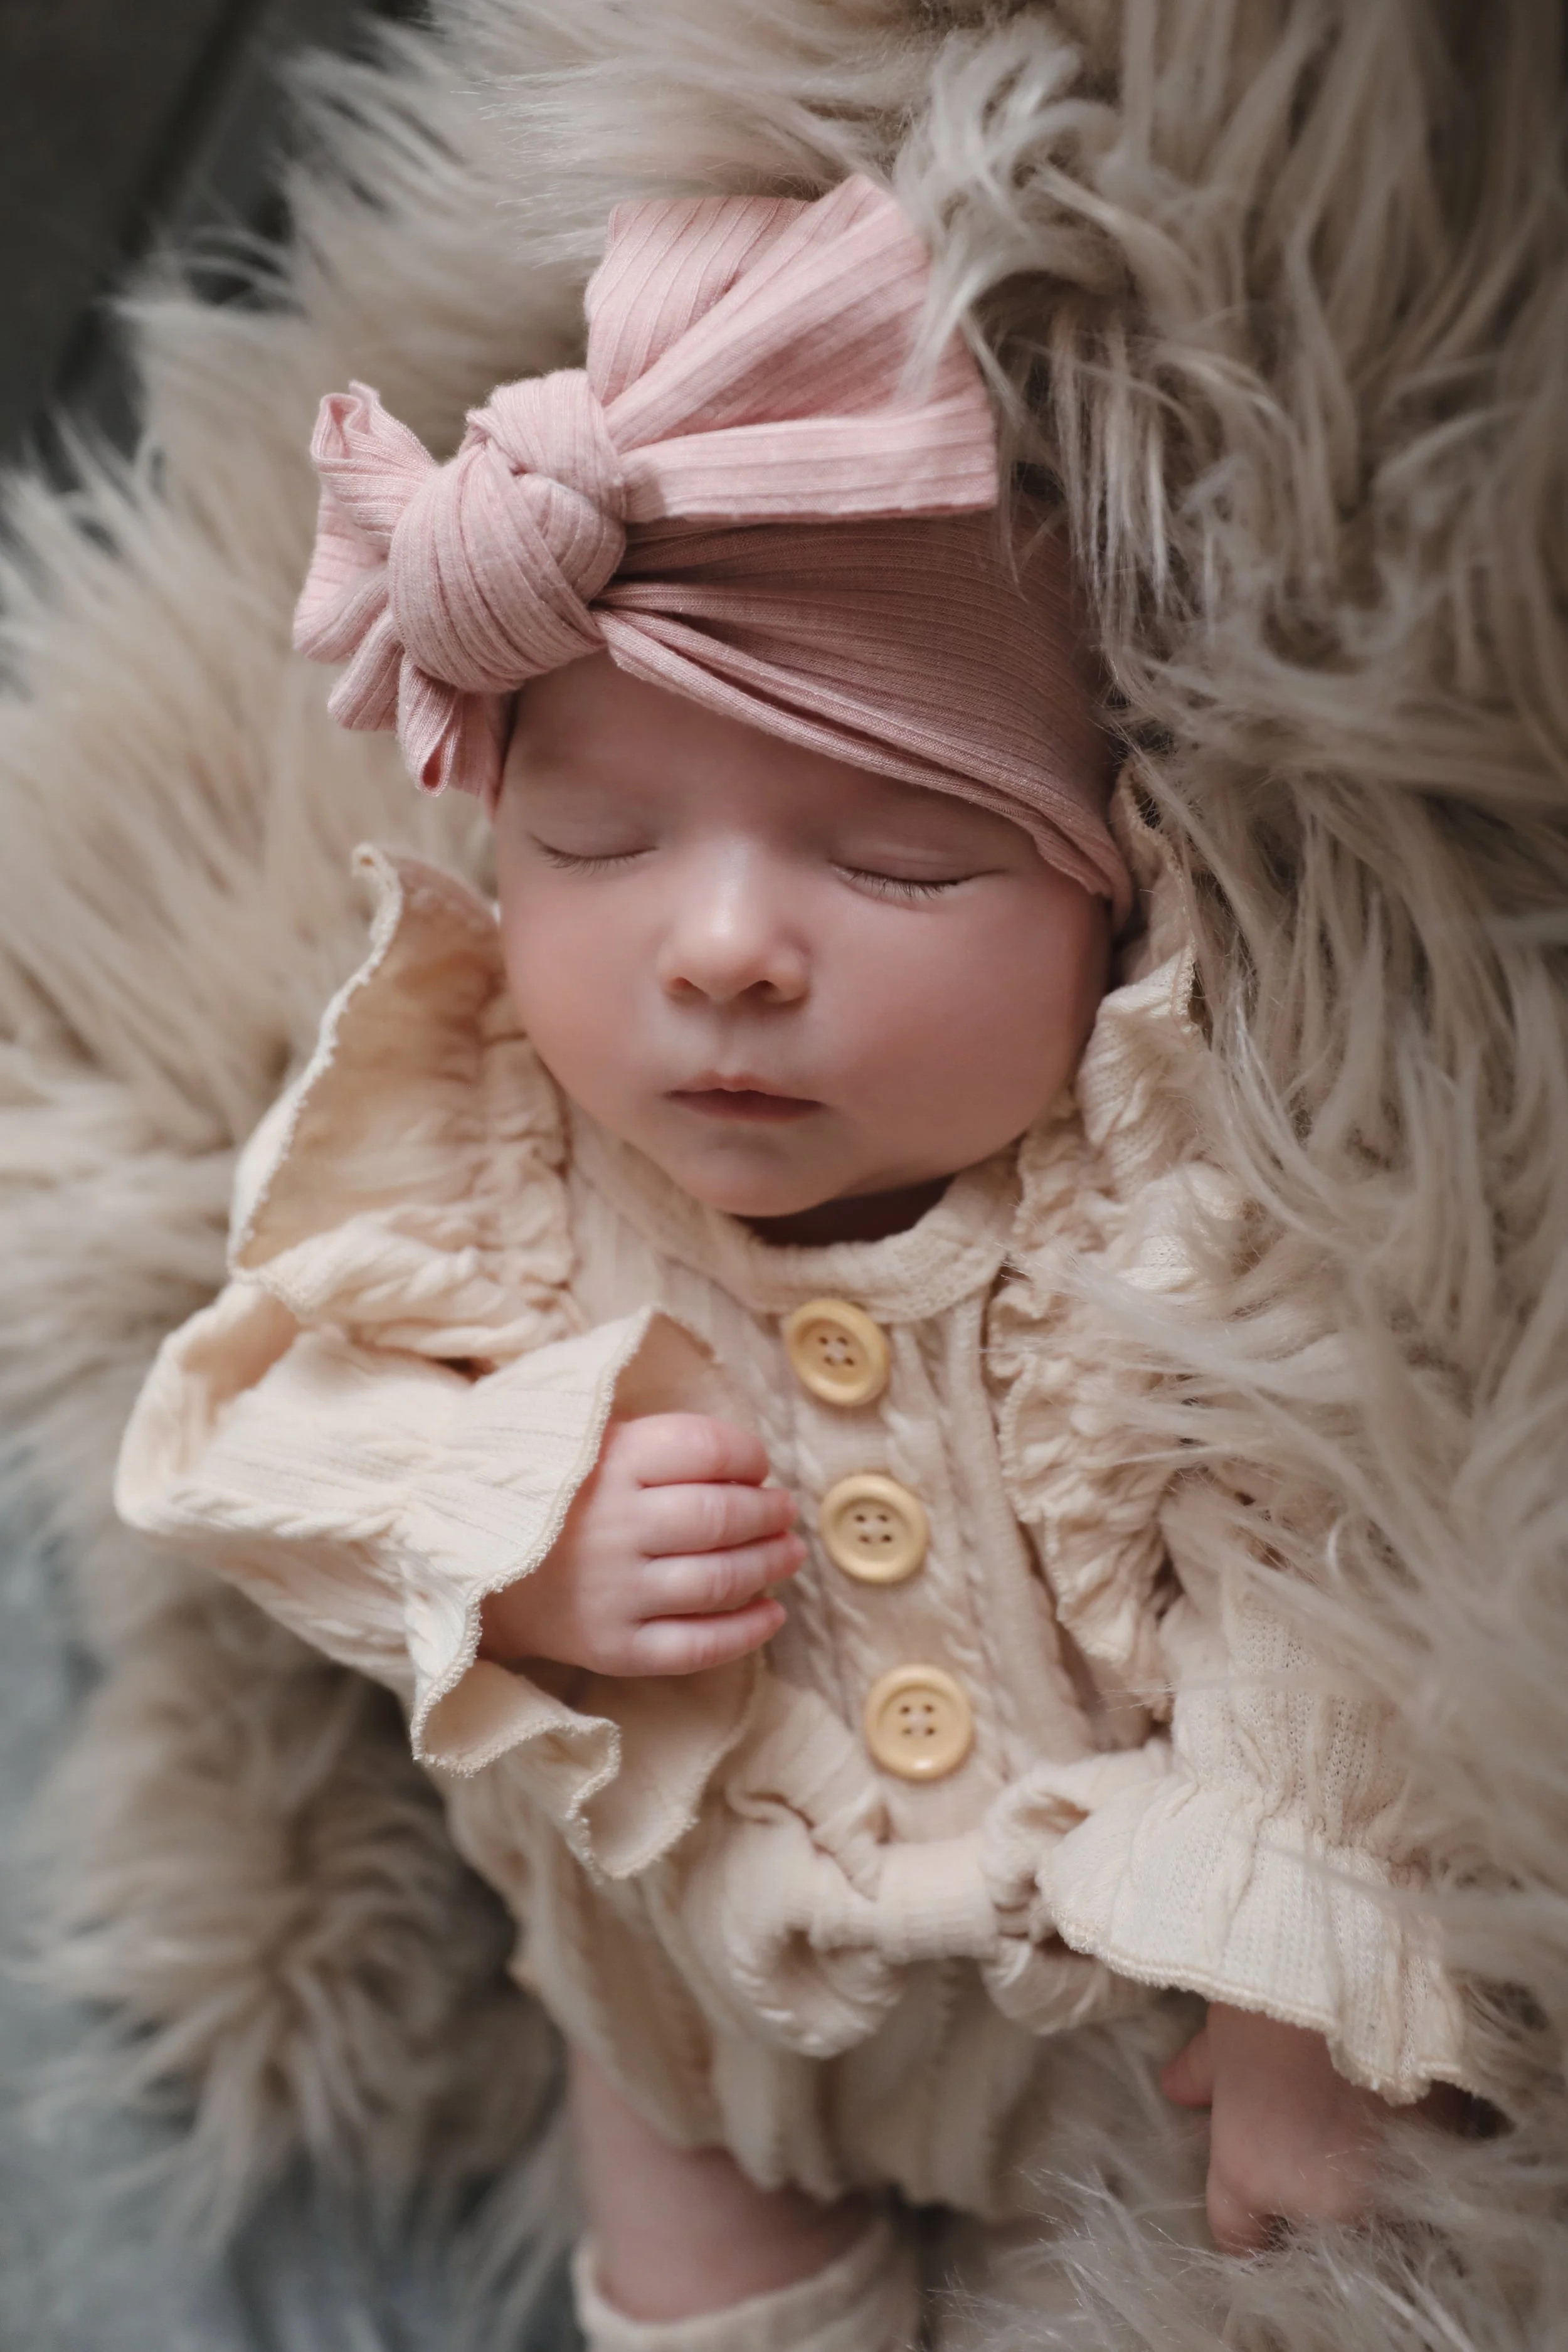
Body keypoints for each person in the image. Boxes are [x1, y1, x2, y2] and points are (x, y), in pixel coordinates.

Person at [115, 176, 1469, 2350]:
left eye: (901, 859)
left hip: (1120, 1983)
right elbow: (224, 1442)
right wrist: (512, 1529)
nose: (723, 945)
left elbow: (1318, 1562)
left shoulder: (1157, 1179)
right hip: (694, 2015)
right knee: (693, 2257)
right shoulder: (467, 1141)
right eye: (598, 840)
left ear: (1102, 902)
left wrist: (1297, 1968)